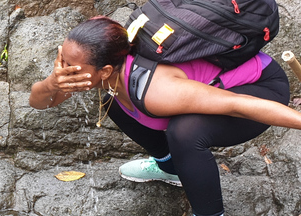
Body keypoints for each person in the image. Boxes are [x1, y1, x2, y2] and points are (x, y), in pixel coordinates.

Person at [29, 16, 298, 216]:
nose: (62, 70)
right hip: (209, 92)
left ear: (106, 69)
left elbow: (237, 105)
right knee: (110, 101)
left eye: (69, 67)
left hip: (260, 88)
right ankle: (171, 169)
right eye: (61, 59)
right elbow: (39, 102)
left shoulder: (159, 91)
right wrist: (52, 83)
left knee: (184, 132)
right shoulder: (104, 73)